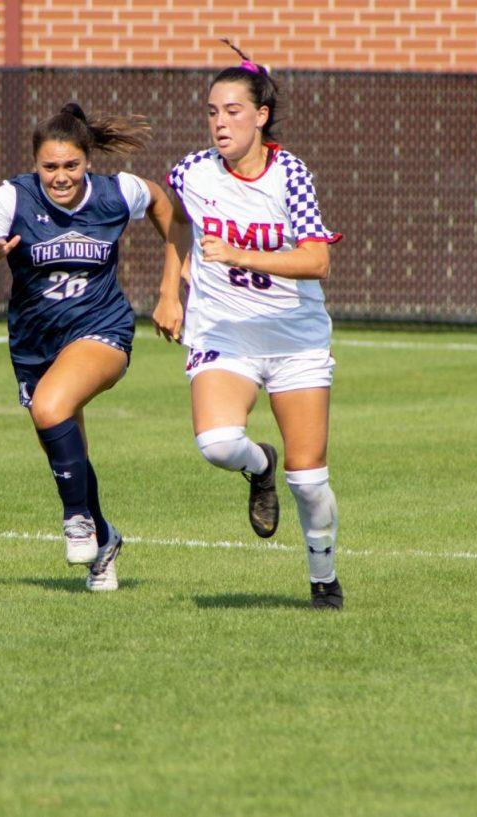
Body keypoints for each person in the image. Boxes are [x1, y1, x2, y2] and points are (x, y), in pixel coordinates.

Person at [152, 41, 346, 609]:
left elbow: (318, 261)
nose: (219, 123)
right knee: (216, 444)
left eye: (233, 111)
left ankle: (323, 577)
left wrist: (241, 255)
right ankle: (259, 465)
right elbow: (177, 221)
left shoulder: (290, 176)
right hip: (223, 333)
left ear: (261, 116)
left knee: (309, 481)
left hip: (294, 338)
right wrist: (170, 291)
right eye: (212, 112)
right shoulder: (192, 170)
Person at [0, 102, 171, 592]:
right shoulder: (13, 197)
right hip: (35, 344)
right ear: (36, 165)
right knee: (65, 447)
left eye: (71, 165)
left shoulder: (117, 192)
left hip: (102, 328)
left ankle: (75, 521)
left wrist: (173, 288)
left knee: (51, 407)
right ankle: (104, 539)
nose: (61, 176)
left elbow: (163, 205)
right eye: (50, 167)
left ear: (87, 161)